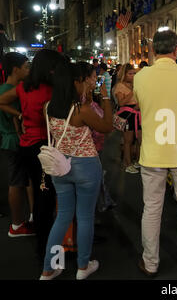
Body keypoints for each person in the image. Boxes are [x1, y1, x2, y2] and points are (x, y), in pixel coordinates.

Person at [134, 30, 177, 276]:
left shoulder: (141, 77)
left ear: (153, 51)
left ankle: (150, 262)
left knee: (151, 208)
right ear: (176, 50)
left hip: (152, 152)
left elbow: (141, 106)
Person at [39, 61, 113, 280]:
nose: (92, 82)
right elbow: (107, 126)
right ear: (77, 81)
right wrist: (106, 97)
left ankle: (48, 269)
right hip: (86, 166)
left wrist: (87, 97)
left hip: (60, 166)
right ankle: (83, 266)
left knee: (62, 217)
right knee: (85, 217)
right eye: (89, 79)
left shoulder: (49, 106)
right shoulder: (81, 110)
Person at [0, 49, 65, 259]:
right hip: (43, 146)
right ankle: (46, 248)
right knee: (45, 196)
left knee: (39, 194)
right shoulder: (51, 90)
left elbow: (1, 101)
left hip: (27, 146)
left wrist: (20, 115)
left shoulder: (23, 87)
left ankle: (43, 238)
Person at [0, 52, 33, 237]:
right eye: (26, 67)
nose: (28, 70)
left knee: (23, 179)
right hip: (15, 139)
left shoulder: (4, 89)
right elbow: (14, 117)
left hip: (9, 139)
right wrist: (20, 116)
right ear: (15, 69)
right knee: (16, 182)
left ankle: (25, 220)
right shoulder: (9, 92)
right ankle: (17, 224)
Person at [114, 64, 142, 174]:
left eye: (134, 73)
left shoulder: (136, 85)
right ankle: (127, 163)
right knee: (128, 141)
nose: (133, 76)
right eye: (130, 74)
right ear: (124, 74)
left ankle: (138, 160)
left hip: (138, 113)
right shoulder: (120, 86)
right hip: (128, 115)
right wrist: (133, 92)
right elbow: (121, 102)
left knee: (140, 139)